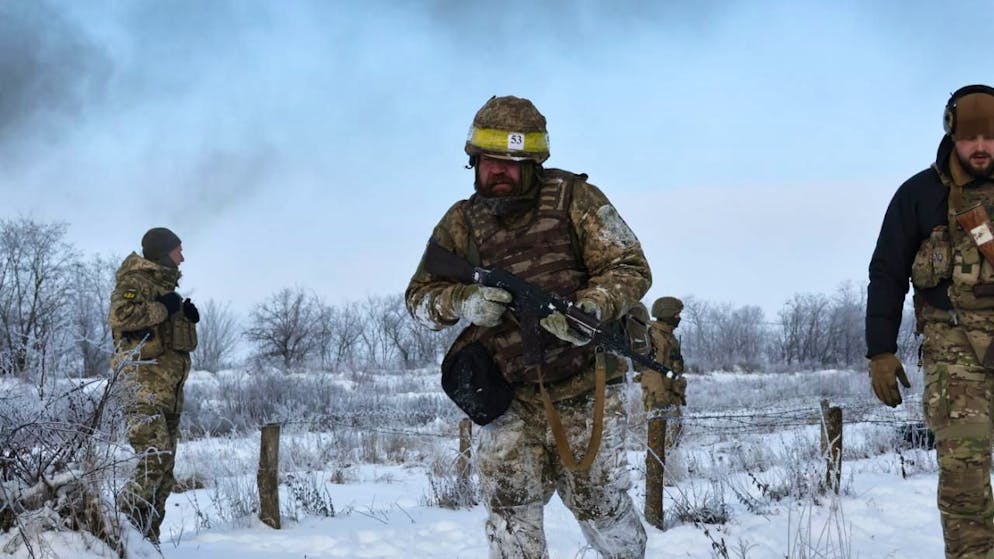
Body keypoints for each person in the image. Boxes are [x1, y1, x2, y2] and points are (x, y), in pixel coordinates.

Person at [406, 95, 651, 558]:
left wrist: (592, 307)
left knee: (602, 508)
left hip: (586, 386)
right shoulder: (461, 223)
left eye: (512, 163)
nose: (498, 172)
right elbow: (418, 299)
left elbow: (630, 266)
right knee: (509, 513)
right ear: (473, 162)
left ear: (534, 164)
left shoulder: (575, 199)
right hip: (508, 397)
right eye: (489, 162)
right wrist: (462, 300)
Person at [867, 84, 994, 558]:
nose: (981, 147)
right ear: (951, 135)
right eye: (970, 138)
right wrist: (880, 349)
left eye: (991, 138)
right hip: (954, 357)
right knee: (964, 487)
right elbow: (886, 272)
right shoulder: (918, 195)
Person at [109, 227, 199, 542]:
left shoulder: (165, 288)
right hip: (142, 389)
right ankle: (115, 532)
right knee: (154, 458)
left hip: (168, 393)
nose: (182, 257)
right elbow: (120, 316)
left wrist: (182, 316)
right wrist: (164, 309)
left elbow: (169, 340)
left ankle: (146, 542)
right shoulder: (136, 282)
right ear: (162, 253)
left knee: (164, 474)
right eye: (178, 251)